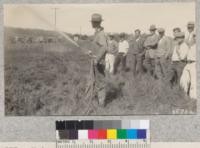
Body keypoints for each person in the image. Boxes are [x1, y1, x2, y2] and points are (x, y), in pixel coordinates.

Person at [90, 13, 108, 106]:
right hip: (96, 60)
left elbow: (104, 47)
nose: (91, 23)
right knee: (96, 80)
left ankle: (101, 103)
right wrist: (91, 53)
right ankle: (97, 99)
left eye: (92, 22)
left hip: (99, 62)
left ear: (95, 23)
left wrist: (97, 58)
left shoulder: (100, 34)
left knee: (100, 82)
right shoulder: (97, 33)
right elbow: (98, 47)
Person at [180, 33, 196, 99]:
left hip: (195, 63)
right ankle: (184, 96)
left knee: (194, 81)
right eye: (194, 36)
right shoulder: (191, 46)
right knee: (183, 80)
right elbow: (183, 57)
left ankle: (193, 98)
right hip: (188, 63)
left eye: (196, 36)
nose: (194, 38)